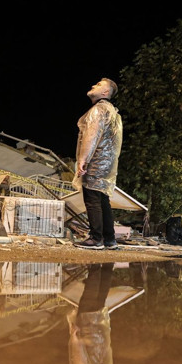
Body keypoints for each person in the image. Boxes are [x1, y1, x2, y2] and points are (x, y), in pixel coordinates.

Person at [73, 78, 123, 250]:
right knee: (103, 200)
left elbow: (91, 136)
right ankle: (109, 239)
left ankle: (96, 239)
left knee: (92, 199)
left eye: (99, 85)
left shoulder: (99, 110)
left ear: (105, 93)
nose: (93, 85)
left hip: (96, 162)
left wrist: (83, 160)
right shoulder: (113, 113)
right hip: (108, 164)